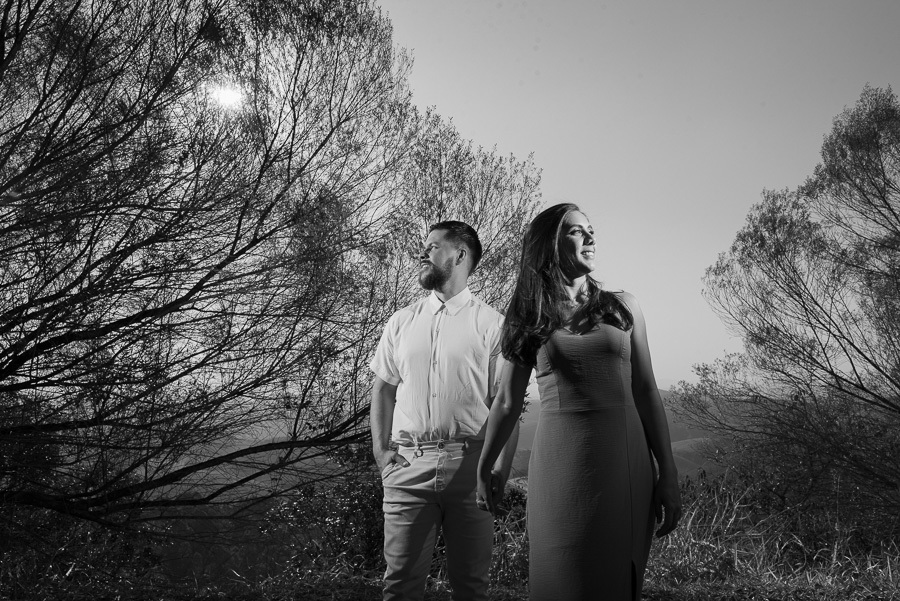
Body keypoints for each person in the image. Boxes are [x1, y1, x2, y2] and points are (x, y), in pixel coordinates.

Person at [475, 203, 682, 601]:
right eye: (575, 231)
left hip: (625, 463)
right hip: (560, 467)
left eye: (591, 229)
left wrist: (667, 471)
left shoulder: (624, 307)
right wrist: (484, 467)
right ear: (548, 245)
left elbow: (646, 391)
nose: (590, 237)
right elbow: (506, 402)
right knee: (560, 576)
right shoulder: (526, 315)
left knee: (616, 582)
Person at [370, 220, 519, 601]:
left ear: (460, 255)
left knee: (471, 587)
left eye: (433, 246)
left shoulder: (493, 325)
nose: (423, 252)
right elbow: (383, 390)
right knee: (400, 585)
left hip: (472, 469)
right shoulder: (400, 321)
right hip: (406, 468)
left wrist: (498, 469)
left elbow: (507, 404)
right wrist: (380, 452)